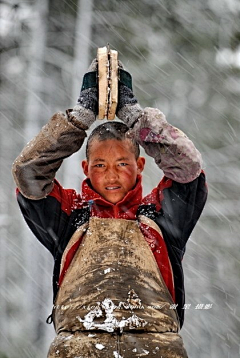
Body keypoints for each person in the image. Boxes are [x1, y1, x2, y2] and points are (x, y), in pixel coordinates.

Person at [12, 58, 207, 358]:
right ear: (86, 169)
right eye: (100, 165)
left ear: (140, 166)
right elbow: (28, 173)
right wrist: (79, 119)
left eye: (122, 164)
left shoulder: (161, 216)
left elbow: (187, 166)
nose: (112, 175)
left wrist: (137, 119)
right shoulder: (70, 218)